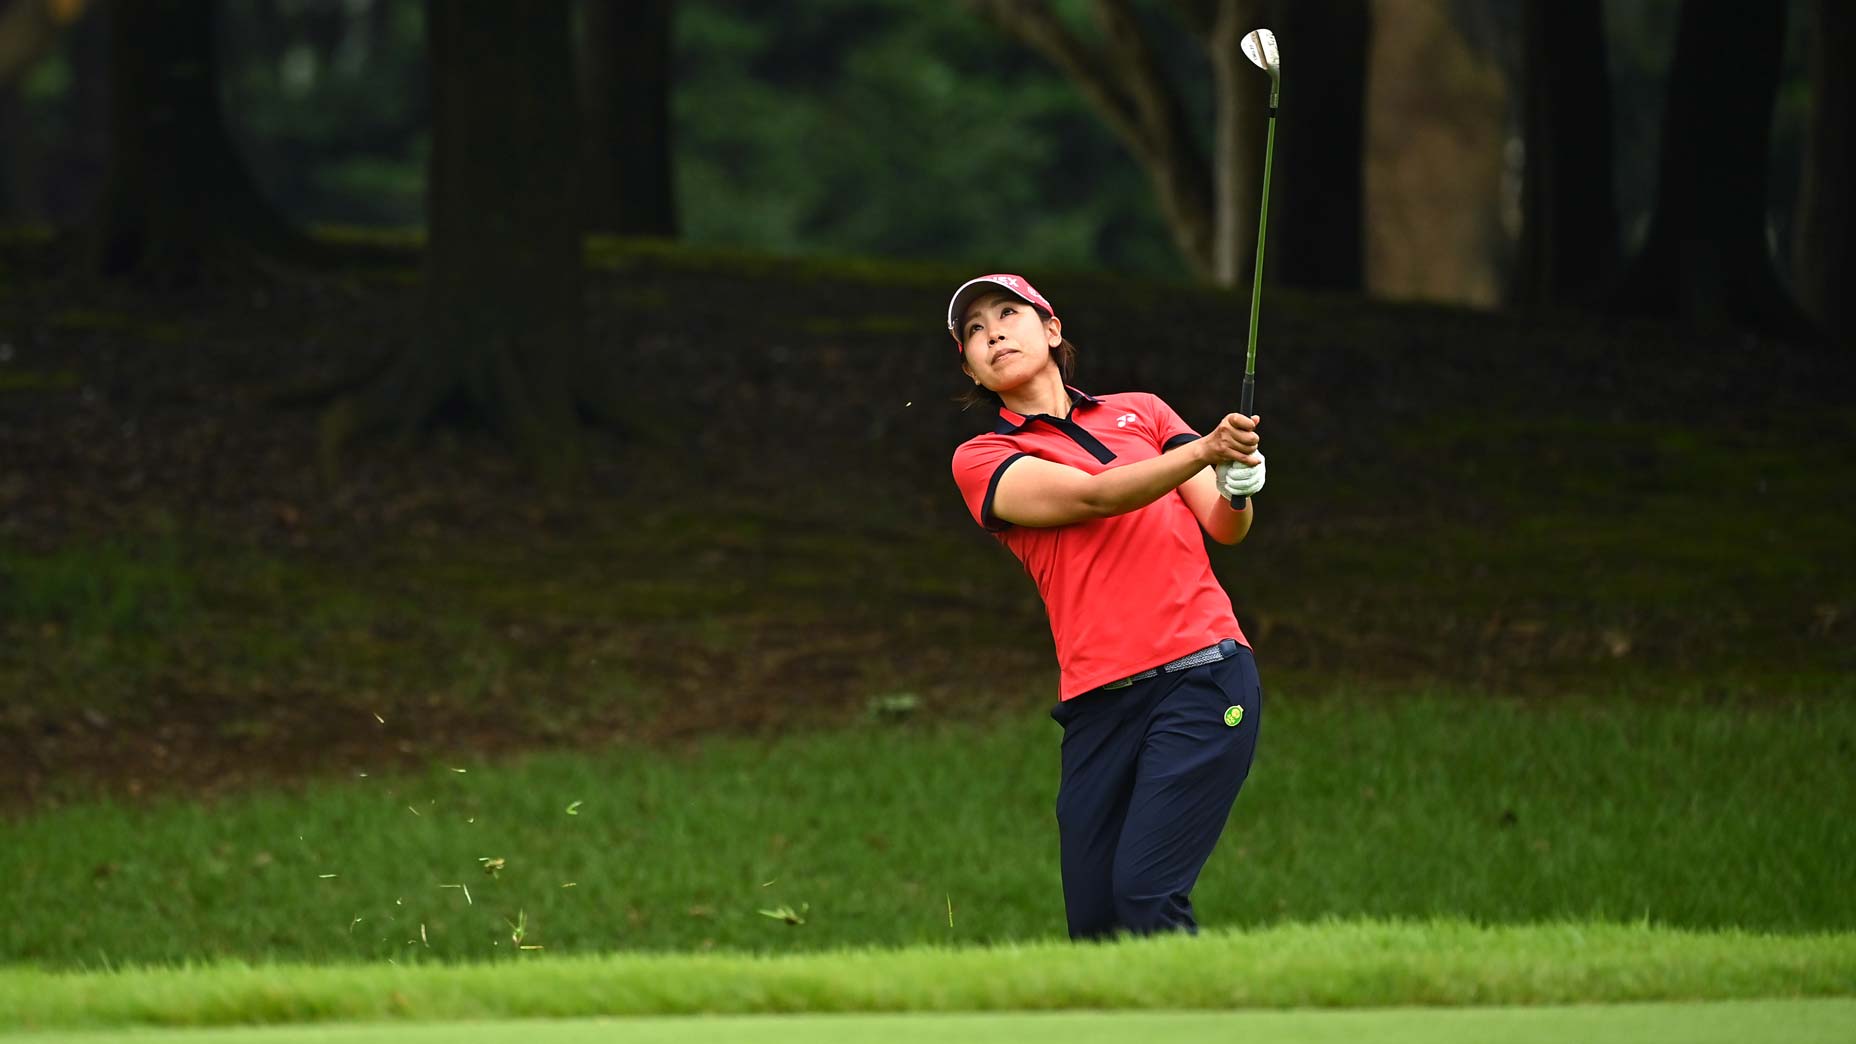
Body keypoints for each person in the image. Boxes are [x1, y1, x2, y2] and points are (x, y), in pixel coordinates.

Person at [945, 273, 1266, 941]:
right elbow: (1095, 496)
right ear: (971, 367)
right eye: (975, 331)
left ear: (1052, 329)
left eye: (1008, 314)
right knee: (1095, 925)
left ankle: (1216, 1002)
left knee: (1147, 895)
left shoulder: (1143, 411)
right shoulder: (984, 457)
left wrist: (1236, 483)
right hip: (1097, 705)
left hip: (1202, 677)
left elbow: (1224, 524)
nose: (993, 334)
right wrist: (1206, 451)